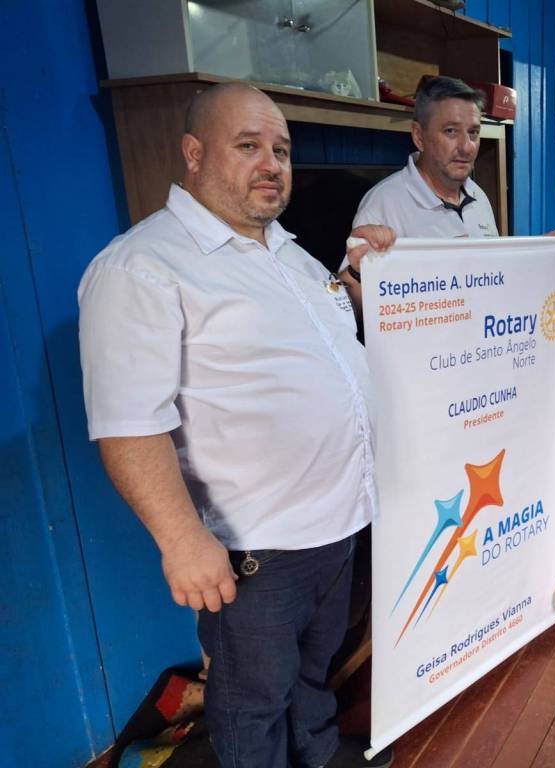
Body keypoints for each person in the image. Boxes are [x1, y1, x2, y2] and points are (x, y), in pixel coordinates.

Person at [78, 82, 391, 768]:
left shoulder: (290, 254)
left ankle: (315, 752)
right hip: (258, 546)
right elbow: (128, 423)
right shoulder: (142, 267)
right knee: (253, 698)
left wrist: (362, 281)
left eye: (281, 149)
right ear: (194, 154)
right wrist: (180, 538)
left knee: (313, 668)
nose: (272, 163)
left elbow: (327, 347)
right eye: (248, 146)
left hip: (337, 524)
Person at [339, 76, 499, 314]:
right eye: (451, 131)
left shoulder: (479, 196)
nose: (467, 147)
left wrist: (540, 255)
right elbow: (352, 310)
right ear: (418, 136)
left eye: (473, 133)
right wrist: (356, 272)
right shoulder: (382, 203)